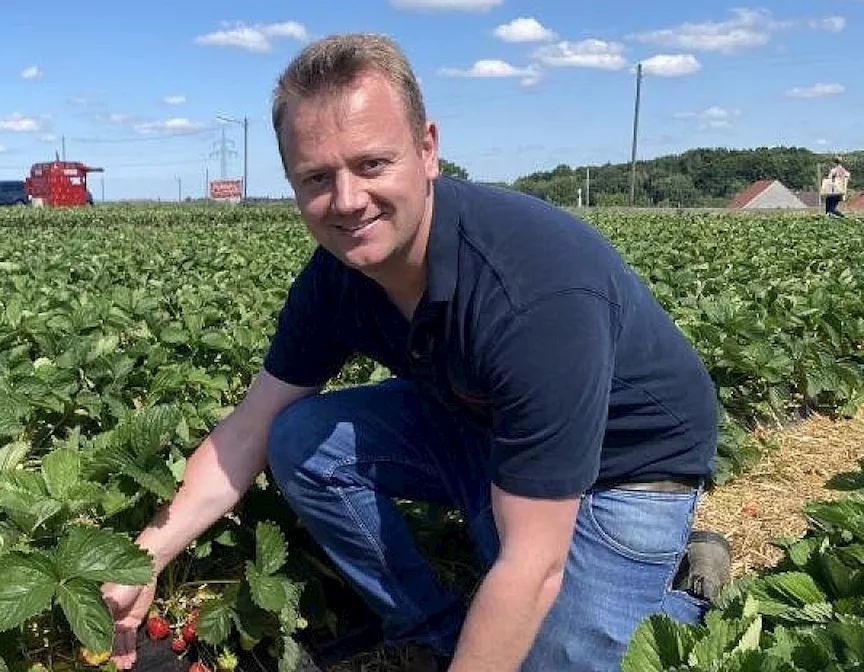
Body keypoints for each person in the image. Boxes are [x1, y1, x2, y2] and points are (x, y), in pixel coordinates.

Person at [102, 33, 727, 671]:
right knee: (298, 439)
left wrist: (523, 584)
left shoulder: (530, 292)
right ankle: (432, 629)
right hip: (482, 421)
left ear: (427, 150)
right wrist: (143, 557)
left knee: (550, 651)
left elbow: (534, 566)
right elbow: (249, 430)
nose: (346, 200)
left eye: (371, 164)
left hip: (626, 468)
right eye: (317, 177)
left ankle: (677, 582)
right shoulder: (336, 277)